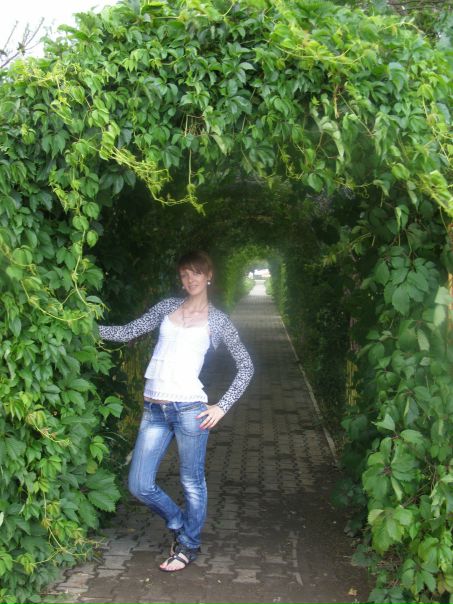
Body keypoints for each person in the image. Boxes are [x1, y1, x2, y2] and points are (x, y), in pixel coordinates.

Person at [98, 250, 254, 572]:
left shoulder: (218, 321)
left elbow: (246, 365)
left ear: (209, 276)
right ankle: (181, 523)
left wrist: (222, 406)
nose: (190, 279)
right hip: (154, 409)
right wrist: (83, 328)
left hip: (190, 411)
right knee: (139, 484)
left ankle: (188, 546)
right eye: (184, 274)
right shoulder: (167, 308)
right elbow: (127, 332)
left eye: (196, 272)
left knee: (192, 482)